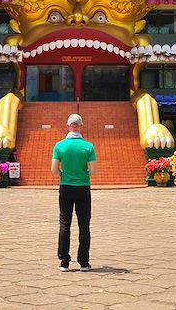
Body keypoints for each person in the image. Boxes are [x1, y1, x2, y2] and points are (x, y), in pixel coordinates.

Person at [51, 113, 97, 272]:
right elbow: (93, 170)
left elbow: (54, 169)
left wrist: (63, 175)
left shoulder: (59, 146)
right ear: (81, 126)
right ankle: (83, 262)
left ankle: (64, 261)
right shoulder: (88, 147)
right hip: (83, 187)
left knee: (65, 224)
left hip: (65, 187)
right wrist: (83, 174)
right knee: (84, 225)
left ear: (68, 125)